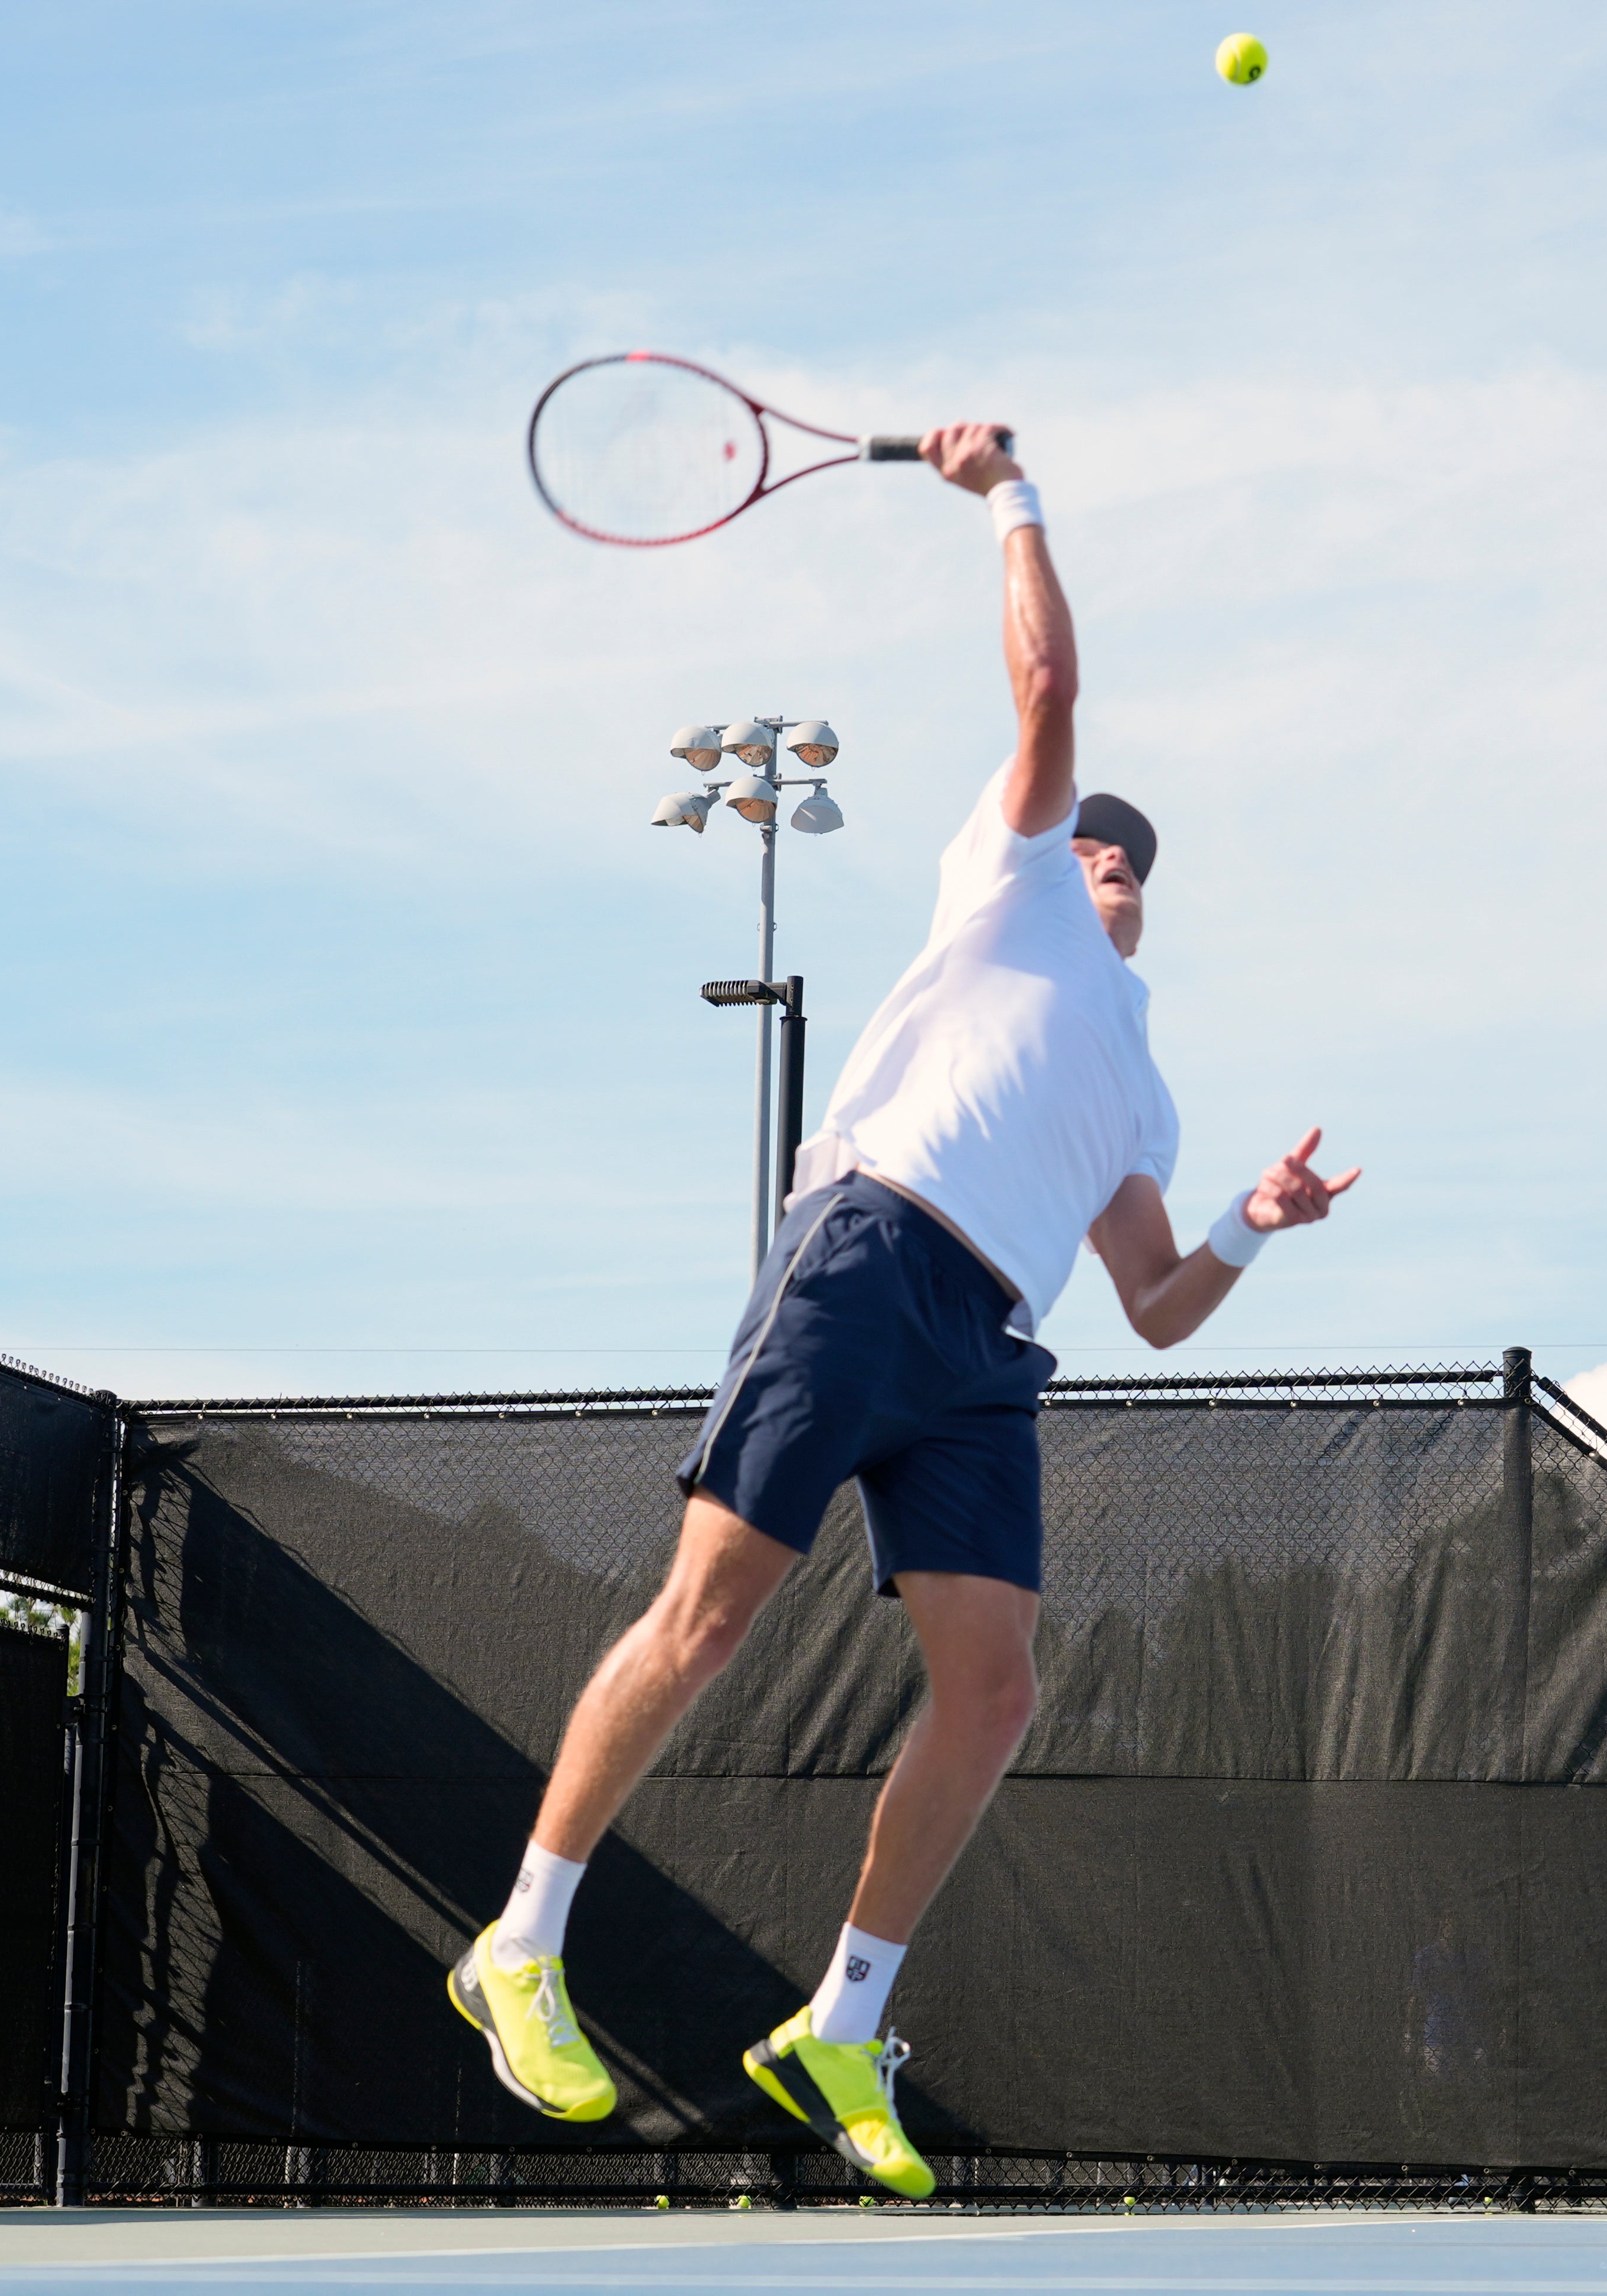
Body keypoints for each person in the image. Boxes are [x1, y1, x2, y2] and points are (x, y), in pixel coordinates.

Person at [447, 421, 1359, 2198]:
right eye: (1100, 844)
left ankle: (843, 2021)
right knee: (711, 1614)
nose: (1117, 863)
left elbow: (1158, 1304)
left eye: (1130, 861)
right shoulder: (1008, 884)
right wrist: (1007, 494)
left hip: (988, 1353)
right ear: (1052, 848)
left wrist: (1254, 1216)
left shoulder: (1140, 1088)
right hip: (868, 1248)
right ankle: (524, 1938)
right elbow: (1049, 679)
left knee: (997, 1686)